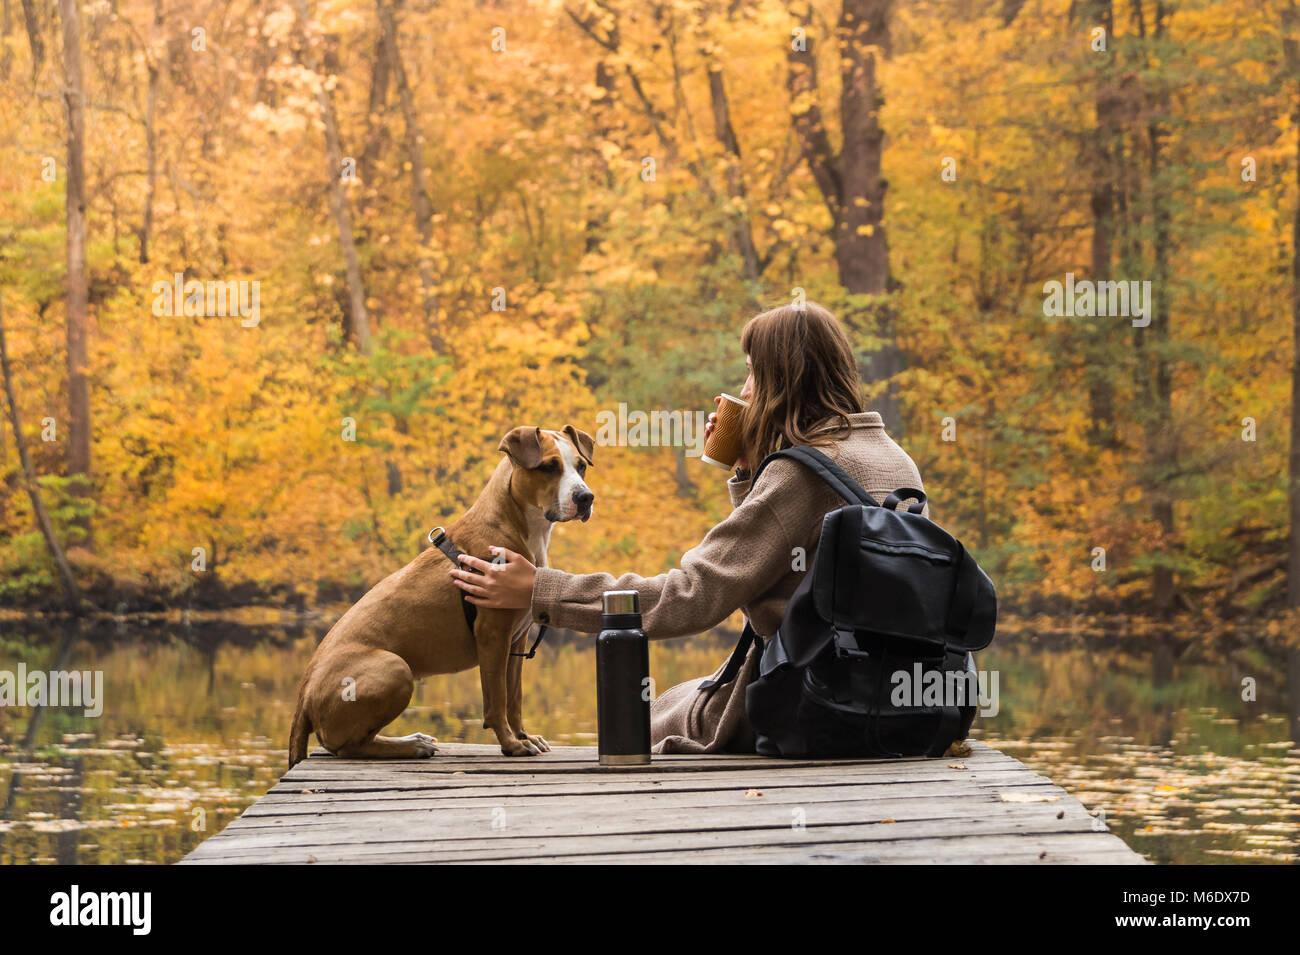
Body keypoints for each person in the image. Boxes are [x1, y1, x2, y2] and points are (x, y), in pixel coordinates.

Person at [449, 302, 929, 753]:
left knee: (648, 714)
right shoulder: (892, 456)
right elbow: (784, 563)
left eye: (752, 372)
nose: (744, 390)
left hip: (809, 700)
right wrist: (749, 471)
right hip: (893, 695)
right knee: (677, 696)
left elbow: (689, 597)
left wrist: (542, 590)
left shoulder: (798, 475)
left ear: (786, 379)